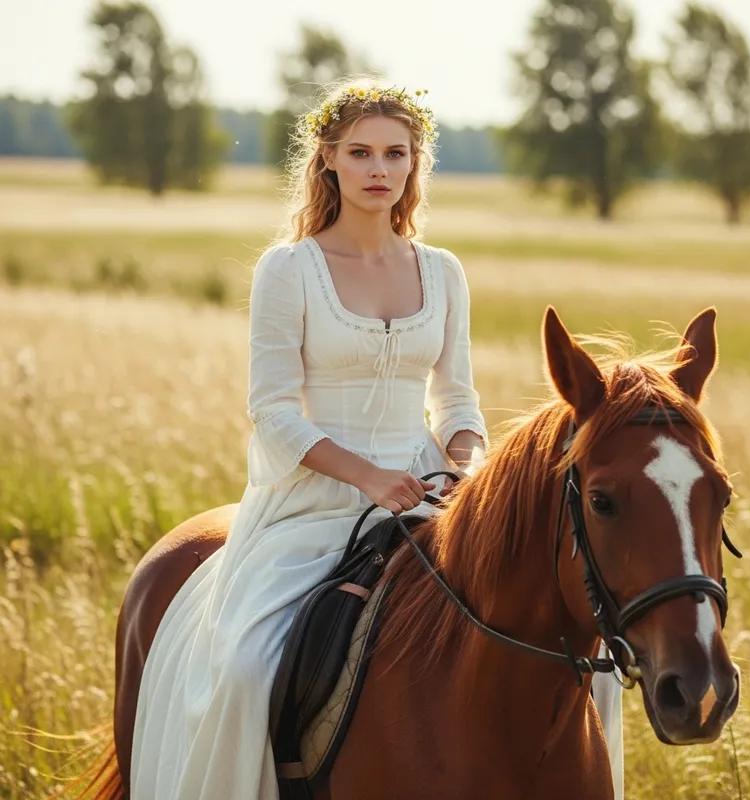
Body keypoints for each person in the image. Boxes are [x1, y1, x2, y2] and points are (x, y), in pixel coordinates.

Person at [129, 78, 623, 799]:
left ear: (415, 163)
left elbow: (457, 399)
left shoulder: (443, 272)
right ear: (327, 158)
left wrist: (466, 467)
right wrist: (367, 478)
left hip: (428, 489)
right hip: (310, 500)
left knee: (584, 651)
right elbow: (272, 411)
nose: (378, 170)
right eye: (360, 152)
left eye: (395, 153)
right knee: (240, 668)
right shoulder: (289, 269)